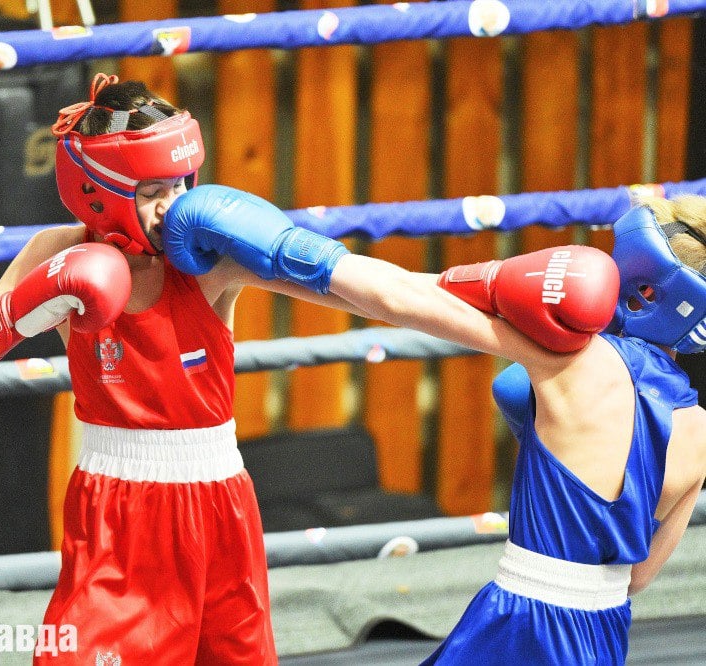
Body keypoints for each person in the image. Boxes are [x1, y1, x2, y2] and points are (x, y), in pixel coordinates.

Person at [0, 73, 366, 665]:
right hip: (116, 508)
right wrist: (8, 318)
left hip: (220, 503)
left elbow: (356, 290)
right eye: (154, 189)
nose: (173, 206)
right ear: (98, 189)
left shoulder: (207, 258)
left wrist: (470, 297)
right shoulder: (56, 255)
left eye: (181, 183)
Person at [162, 184, 706, 665]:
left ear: (643, 284)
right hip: (603, 633)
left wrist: (270, 253)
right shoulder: (698, 431)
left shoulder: (573, 361)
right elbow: (635, 577)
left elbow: (403, 298)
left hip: (522, 626)